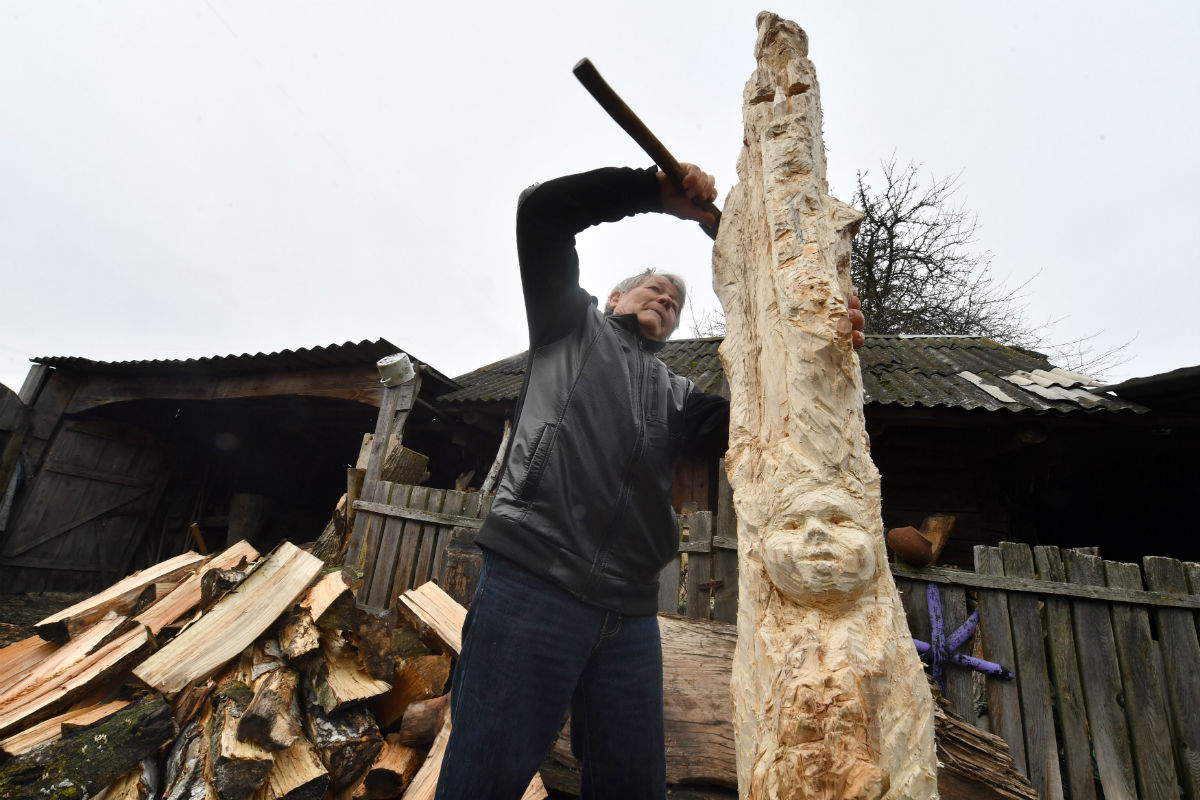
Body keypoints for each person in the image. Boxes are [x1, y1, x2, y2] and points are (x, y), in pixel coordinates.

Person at [434, 164, 864, 800]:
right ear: (614, 297)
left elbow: (773, 414)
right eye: (656, 289)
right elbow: (542, 212)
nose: (667, 299)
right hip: (534, 580)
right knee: (484, 781)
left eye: (676, 301)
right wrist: (652, 192)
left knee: (635, 789)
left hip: (630, 612)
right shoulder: (567, 329)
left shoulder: (680, 395)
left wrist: (822, 346)